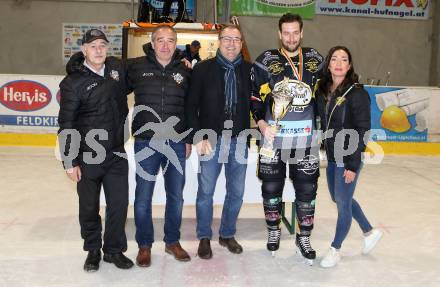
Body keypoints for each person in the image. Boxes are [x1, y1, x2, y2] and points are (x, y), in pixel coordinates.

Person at [58, 29, 134, 272]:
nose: (99, 49)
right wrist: (70, 161)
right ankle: (92, 249)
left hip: (116, 153)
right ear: (83, 50)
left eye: (103, 45)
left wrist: (182, 60)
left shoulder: (116, 70)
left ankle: (113, 251)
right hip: (88, 155)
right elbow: (66, 123)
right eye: (93, 46)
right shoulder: (72, 83)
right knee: (89, 207)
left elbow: (147, 68)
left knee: (119, 204)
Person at [250, 13, 323, 264]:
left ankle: (304, 237)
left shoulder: (315, 59)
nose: (291, 37)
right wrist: (260, 124)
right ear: (279, 34)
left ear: (301, 33)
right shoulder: (265, 60)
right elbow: (254, 97)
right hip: (273, 140)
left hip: (306, 141)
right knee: (271, 188)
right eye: (286, 33)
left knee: (307, 190)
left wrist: (322, 128)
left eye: (295, 32)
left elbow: (324, 97)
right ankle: (273, 231)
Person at [127, 25, 192, 267]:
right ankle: (144, 245)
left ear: (176, 44)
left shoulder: (185, 71)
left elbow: (190, 108)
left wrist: (188, 138)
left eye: (170, 40)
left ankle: (172, 241)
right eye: (160, 40)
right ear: (152, 43)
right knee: (143, 197)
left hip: (176, 142)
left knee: (176, 196)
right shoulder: (136, 67)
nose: (165, 45)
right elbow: (109, 78)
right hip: (146, 141)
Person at [186, 25, 252, 259]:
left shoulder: (249, 70)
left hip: (240, 140)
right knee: (206, 192)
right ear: (219, 41)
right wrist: (197, 136)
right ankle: (204, 236)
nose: (231, 43)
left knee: (237, 192)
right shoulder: (203, 69)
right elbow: (191, 106)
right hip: (210, 140)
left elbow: (258, 103)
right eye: (227, 38)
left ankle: (226, 234)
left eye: (236, 39)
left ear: (241, 43)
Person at [315, 46, 383, 268]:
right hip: (333, 156)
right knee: (338, 198)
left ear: (350, 65)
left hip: (349, 157)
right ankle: (370, 232)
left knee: (343, 204)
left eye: (344, 59)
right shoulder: (324, 91)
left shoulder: (357, 94)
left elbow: (363, 130)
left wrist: (353, 165)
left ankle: (335, 249)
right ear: (328, 63)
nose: (338, 63)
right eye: (334, 59)